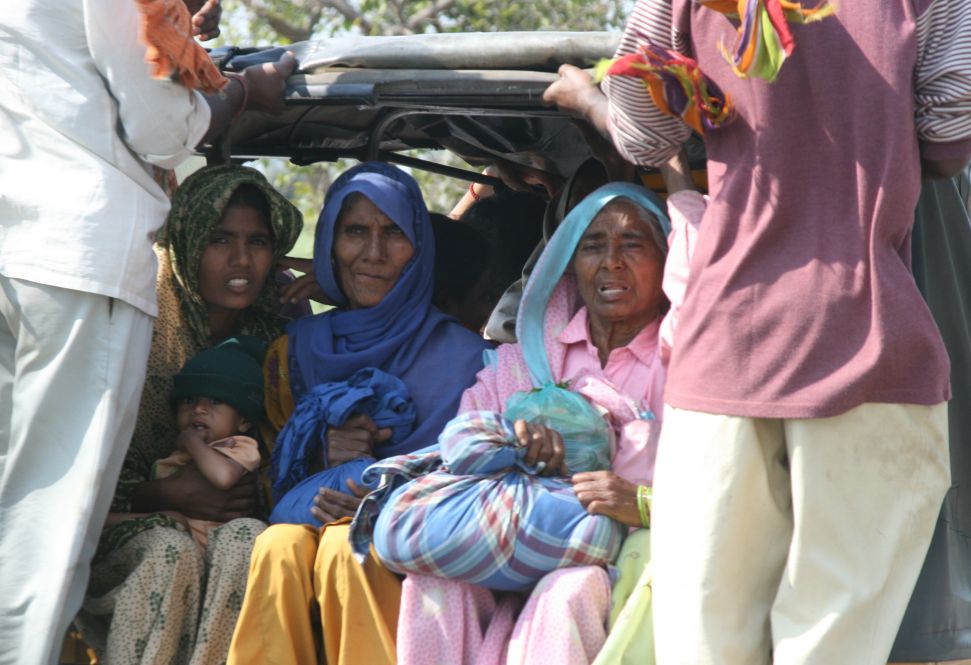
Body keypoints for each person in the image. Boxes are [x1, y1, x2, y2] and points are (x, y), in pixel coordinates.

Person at [542, 2, 971, 663]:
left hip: (723, 353)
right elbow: (946, 136)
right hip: (868, 344)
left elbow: (642, 130)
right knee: (833, 642)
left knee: (705, 641)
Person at [0, 0, 296, 660]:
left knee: (18, 506)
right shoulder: (166, 309)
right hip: (76, 259)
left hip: (16, 246)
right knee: (49, 525)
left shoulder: (283, 330)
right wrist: (239, 89)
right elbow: (162, 128)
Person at [393, 168, 703, 665]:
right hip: (515, 536)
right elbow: (462, 440)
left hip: (617, 555)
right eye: (593, 246)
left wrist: (642, 501)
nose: (612, 263)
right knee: (435, 585)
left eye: (633, 245)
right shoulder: (526, 360)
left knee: (567, 593)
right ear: (570, 264)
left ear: (667, 260)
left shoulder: (686, 362)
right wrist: (508, 444)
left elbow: (731, 486)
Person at [228, 161, 490, 665]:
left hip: (417, 545)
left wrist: (385, 497)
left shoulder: (469, 361)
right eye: (355, 232)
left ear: (420, 249)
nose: (373, 253)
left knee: (346, 550)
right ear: (330, 242)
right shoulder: (294, 351)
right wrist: (317, 451)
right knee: (278, 546)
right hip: (305, 528)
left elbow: (483, 476)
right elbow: (263, 478)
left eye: (393, 233)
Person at [75, 164, 303, 665]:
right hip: (115, 527)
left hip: (225, 525)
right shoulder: (138, 319)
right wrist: (166, 493)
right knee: (166, 551)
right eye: (220, 239)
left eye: (258, 242)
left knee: (250, 542)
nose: (241, 260)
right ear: (189, 236)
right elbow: (78, 471)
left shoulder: (276, 339)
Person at [149, 337, 268, 551]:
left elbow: (224, 477)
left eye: (215, 402)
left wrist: (193, 442)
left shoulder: (238, 446)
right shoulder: (178, 453)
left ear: (244, 421)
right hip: (179, 546)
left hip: (218, 549)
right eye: (189, 400)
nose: (198, 409)